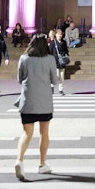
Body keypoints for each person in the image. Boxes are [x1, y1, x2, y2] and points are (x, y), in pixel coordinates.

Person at [14, 33, 57, 181]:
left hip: (28, 101)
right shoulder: (50, 59)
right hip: (44, 101)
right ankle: (42, 164)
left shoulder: (24, 58)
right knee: (44, 132)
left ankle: (19, 160)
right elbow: (54, 80)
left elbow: (20, 79)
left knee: (27, 133)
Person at [50, 28, 69, 95]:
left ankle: (61, 90)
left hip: (62, 62)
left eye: (61, 34)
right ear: (56, 35)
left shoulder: (64, 42)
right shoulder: (53, 42)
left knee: (62, 77)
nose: (60, 36)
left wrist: (66, 57)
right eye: (58, 34)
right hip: (55, 62)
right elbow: (50, 52)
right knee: (56, 76)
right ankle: (52, 86)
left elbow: (66, 51)